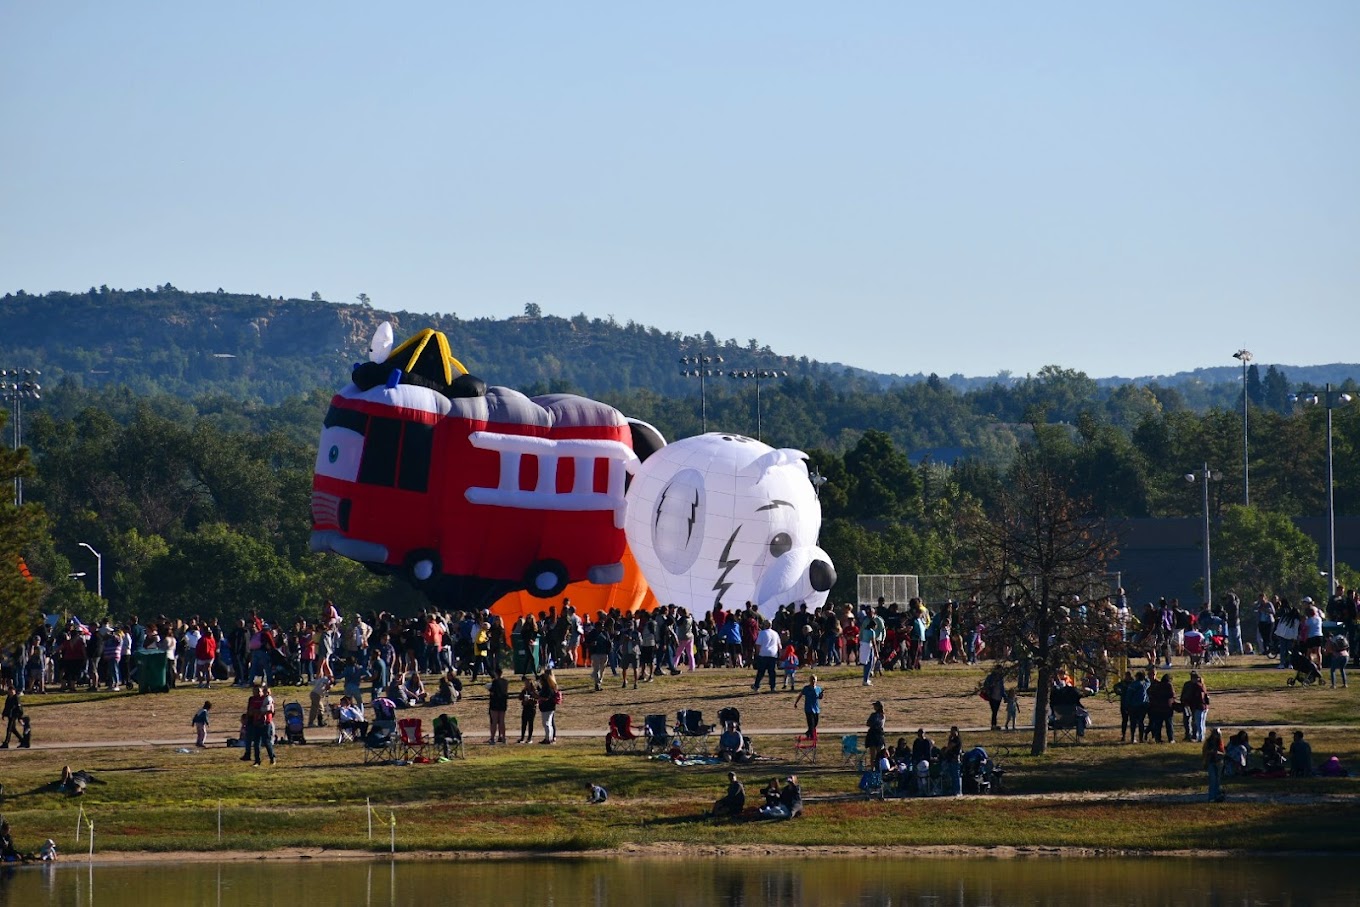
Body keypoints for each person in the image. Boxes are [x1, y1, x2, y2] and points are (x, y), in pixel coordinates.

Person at [1180, 671, 1210, 743]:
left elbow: (1196, 697)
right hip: (1199, 706)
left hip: (1197, 706)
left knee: (1198, 722)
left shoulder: (1197, 686)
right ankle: (1195, 735)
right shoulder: (1199, 685)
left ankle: (1198, 736)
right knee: (1198, 722)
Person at [487, 665, 509, 745]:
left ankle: (492, 738)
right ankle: (503, 737)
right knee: (502, 721)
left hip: (495, 703)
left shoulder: (495, 682)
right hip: (503, 703)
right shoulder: (506, 682)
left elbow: (492, 692)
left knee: (494, 721)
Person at [537, 668, 560, 744]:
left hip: (548, 707)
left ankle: (549, 738)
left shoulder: (548, 688)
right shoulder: (546, 687)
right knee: (547, 723)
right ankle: (549, 737)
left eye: (541, 680)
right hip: (546, 708)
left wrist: (538, 697)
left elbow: (546, 698)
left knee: (547, 723)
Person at [1203, 727, 1225, 802]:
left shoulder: (1220, 742)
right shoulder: (1208, 742)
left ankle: (1217, 796)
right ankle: (1211, 797)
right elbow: (1205, 752)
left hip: (1219, 762)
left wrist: (1219, 753)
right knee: (1212, 780)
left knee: (1218, 780)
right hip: (1211, 762)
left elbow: (1223, 753)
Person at [982, 665, 1007, 730]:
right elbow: (986, 685)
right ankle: (993, 725)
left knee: (995, 711)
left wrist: (1005, 696)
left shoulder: (1001, 678)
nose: (1000, 671)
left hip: (999, 697)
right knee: (994, 711)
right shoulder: (990, 677)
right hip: (992, 697)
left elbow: (1002, 688)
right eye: (999, 669)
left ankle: (994, 725)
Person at [942, 727, 963, 796]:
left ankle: (958, 791)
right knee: (952, 776)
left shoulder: (957, 739)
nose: (951, 733)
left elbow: (950, 746)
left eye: (953, 731)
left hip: (955, 759)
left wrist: (946, 750)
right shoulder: (952, 739)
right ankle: (953, 790)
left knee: (956, 776)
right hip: (950, 759)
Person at [517, 676, 538, 743]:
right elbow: (519, 698)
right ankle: (522, 738)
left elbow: (536, 700)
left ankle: (529, 738)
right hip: (525, 708)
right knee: (524, 723)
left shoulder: (534, 691)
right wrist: (522, 695)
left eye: (527, 683)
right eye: (525, 683)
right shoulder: (524, 691)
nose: (526, 684)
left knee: (530, 723)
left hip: (532, 708)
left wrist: (530, 699)